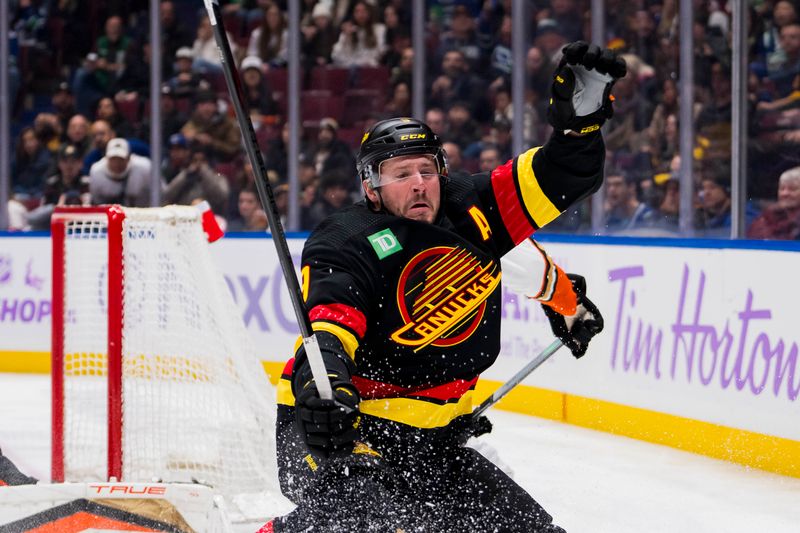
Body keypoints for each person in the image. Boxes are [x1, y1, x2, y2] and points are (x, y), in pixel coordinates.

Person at [266, 41, 625, 532]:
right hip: (334, 429)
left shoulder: (474, 214)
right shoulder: (345, 240)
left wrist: (579, 130)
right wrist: (322, 389)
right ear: (370, 187)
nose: (419, 183)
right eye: (400, 174)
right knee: (360, 517)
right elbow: (329, 331)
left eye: (426, 169)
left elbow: (553, 205)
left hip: (427, 446)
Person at [89, 138, 157, 207]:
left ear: (128, 158)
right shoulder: (96, 171)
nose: (117, 163)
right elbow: (96, 201)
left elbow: (160, 193)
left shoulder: (145, 167)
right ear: (106, 158)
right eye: (113, 159)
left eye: (120, 159)